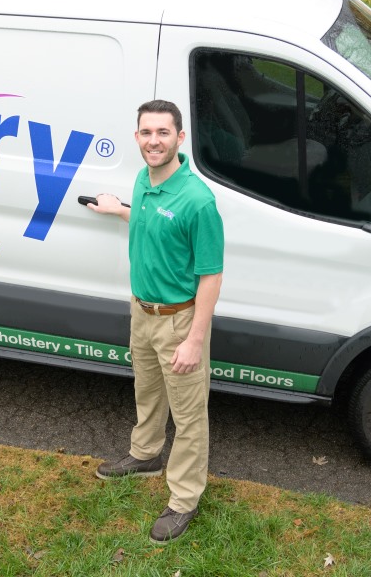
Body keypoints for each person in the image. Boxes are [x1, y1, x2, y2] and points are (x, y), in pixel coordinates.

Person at [87, 99, 224, 544]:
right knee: (147, 392)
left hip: (178, 322)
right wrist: (118, 208)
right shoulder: (144, 181)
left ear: (180, 138)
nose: (154, 141)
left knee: (188, 416)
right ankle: (145, 455)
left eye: (163, 133)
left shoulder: (198, 200)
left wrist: (194, 341)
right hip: (141, 312)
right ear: (137, 137)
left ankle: (184, 498)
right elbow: (149, 220)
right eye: (146, 133)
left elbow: (211, 275)